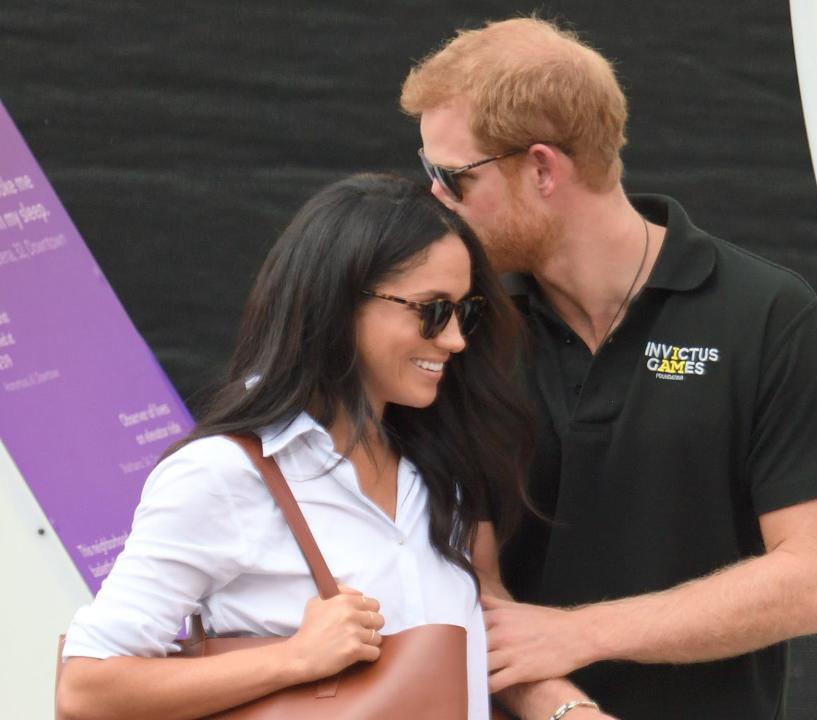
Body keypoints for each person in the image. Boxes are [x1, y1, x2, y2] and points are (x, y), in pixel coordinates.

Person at [401, 17, 817, 720]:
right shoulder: (459, 325)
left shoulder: (766, 314)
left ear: (541, 168)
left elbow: (816, 582)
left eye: (451, 176)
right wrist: (562, 708)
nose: (434, 198)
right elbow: (450, 565)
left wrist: (579, 634)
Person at [56, 173, 530, 720]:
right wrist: (294, 659)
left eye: (464, 312)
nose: (454, 339)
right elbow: (86, 687)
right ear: (339, 303)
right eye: (432, 310)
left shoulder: (436, 472)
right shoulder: (225, 475)